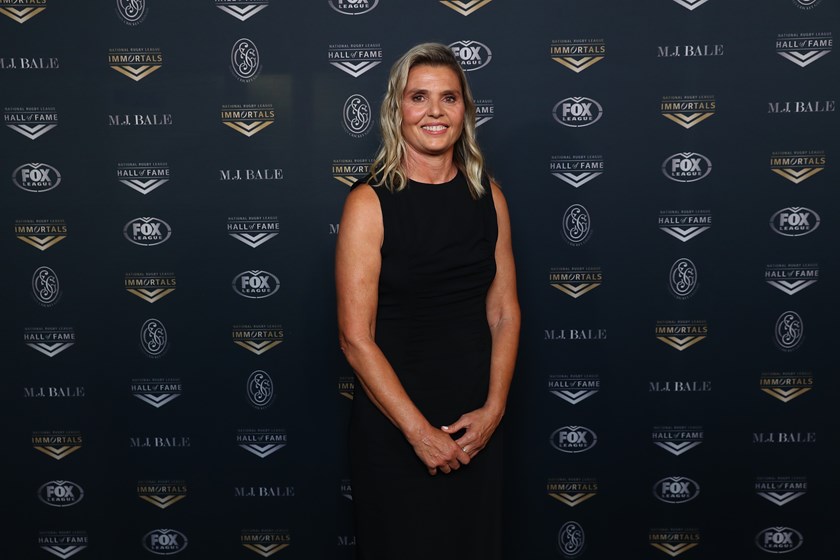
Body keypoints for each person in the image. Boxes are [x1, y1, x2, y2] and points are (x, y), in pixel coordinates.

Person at [335, 43, 520, 559]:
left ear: (465, 110)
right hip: (396, 429)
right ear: (397, 109)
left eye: (449, 98)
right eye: (419, 97)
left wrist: (493, 410)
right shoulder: (368, 202)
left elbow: (504, 312)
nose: (435, 111)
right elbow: (355, 339)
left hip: (475, 429)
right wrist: (418, 433)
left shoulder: (490, 198)